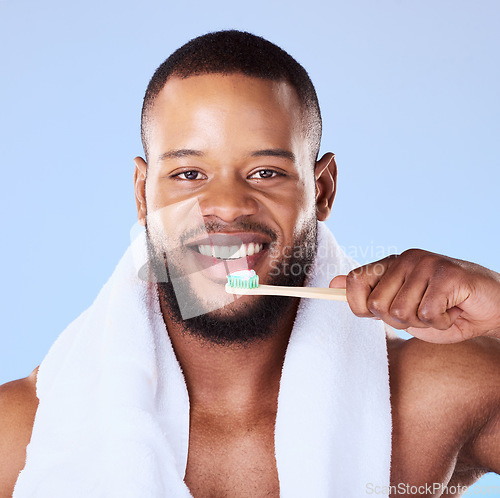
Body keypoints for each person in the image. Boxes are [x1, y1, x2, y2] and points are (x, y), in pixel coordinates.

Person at [1, 30, 499, 497]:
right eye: (189, 173)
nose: (228, 205)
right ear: (142, 195)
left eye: (265, 172)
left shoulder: (433, 397)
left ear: (321, 190)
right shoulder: (20, 434)